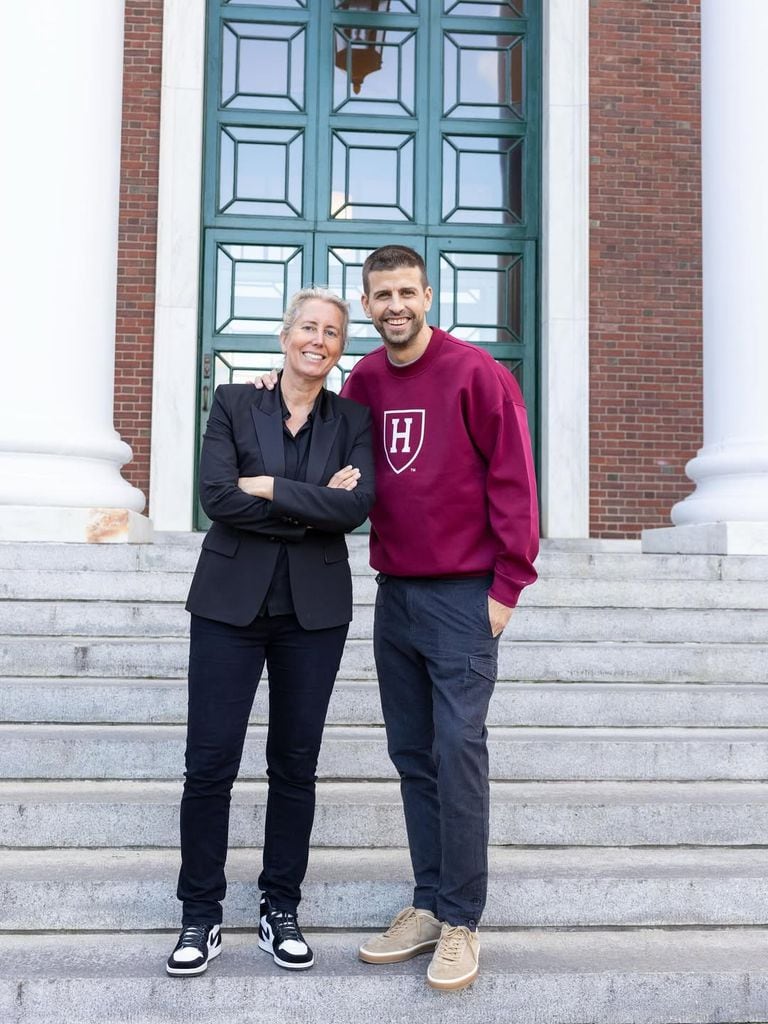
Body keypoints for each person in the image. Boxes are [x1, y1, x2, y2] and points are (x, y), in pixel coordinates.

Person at [255, 245, 539, 991]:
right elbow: (318, 430)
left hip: (463, 595)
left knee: (458, 752)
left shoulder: (479, 375)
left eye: (406, 292)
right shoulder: (369, 378)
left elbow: (514, 481)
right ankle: (427, 901)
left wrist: (507, 586)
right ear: (368, 302)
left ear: (429, 294)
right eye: (381, 295)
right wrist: (267, 394)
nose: (394, 306)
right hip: (397, 595)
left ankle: (462, 920)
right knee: (413, 755)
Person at [166, 287, 375, 977]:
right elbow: (216, 497)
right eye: (308, 327)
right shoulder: (234, 401)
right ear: (286, 335)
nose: (319, 340)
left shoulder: (352, 418)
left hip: (313, 614)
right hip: (228, 605)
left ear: (342, 347)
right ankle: (200, 914)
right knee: (211, 765)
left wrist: (268, 487)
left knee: (294, 766)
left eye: (333, 333)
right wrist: (307, 502)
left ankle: (278, 907)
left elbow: (355, 508)